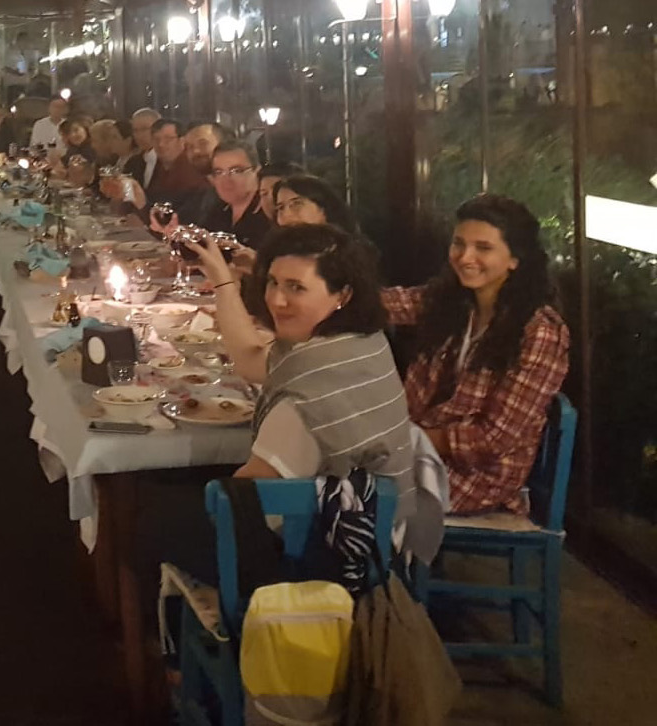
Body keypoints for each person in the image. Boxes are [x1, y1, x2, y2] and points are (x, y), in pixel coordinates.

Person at [161, 224, 414, 586]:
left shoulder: (304, 403)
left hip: (327, 563)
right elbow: (250, 361)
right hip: (385, 534)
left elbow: (243, 497)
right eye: (273, 282)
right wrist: (223, 281)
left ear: (342, 294)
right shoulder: (363, 343)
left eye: (296, 287)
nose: (277, 300)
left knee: (150, 514)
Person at [382, 195, 569, 514]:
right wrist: (320, 297)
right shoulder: (451, 301)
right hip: (415, 450)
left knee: (351, 491)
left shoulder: (540, 331)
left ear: (514, 259)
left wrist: (405, 439)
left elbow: (493, 439)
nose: (465, 257)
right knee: (330, 465)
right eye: (459, 243)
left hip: (476, 476)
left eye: (483, 248)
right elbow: (384, 304)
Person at [155, 140, 272, 248]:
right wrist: (176, 234)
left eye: (236, 171)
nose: (226, 180)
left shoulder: (270, 213)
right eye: (219, 172)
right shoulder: (218, 209)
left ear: (257, 171)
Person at [145, 118, 207, 207]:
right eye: (156, 139)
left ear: (182, 141)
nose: (161, 144)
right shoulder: (159, 166)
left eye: (168, 139)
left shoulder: (192, 167)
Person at [273, 174, 359, 233]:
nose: (286, 214)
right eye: (281, 208)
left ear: (324, 209)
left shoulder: (352, 251)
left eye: (297, 204)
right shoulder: (273, 252)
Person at [122, 107, 162, 188]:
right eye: (135, 130)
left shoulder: (169, 160)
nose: (139, 135)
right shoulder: (133, 163)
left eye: (144, 129)